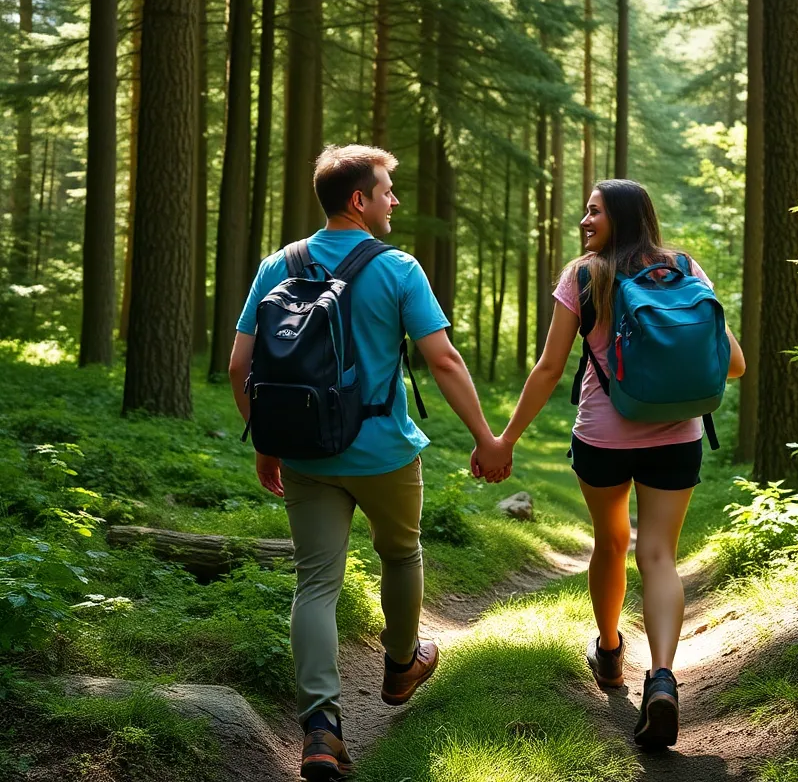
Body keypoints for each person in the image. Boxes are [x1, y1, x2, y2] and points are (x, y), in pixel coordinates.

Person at [229, 144, 511, 781]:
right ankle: (401, 665)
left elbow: (240, 367)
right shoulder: (399, 268)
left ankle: (321, 731)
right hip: (382, 450)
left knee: (316, 583)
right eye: (387, 191)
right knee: (401, 553)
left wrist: (267, 442)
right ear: (359, 199)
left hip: (304, 453)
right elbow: (443, 361)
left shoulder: (278, 264)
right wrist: (487, 439)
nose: (395, 201)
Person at [477, 179, 745, 749]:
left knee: (611, 542)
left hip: (602, 438)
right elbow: (736, 364)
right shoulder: (686, 269)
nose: (584, 220)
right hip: (678, 438)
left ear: (620, 216)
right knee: (659, 555)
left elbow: (549, 369)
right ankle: (664, 678)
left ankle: (609, 651)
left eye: (594, 211)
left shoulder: (584, 276)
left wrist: (504, 439)